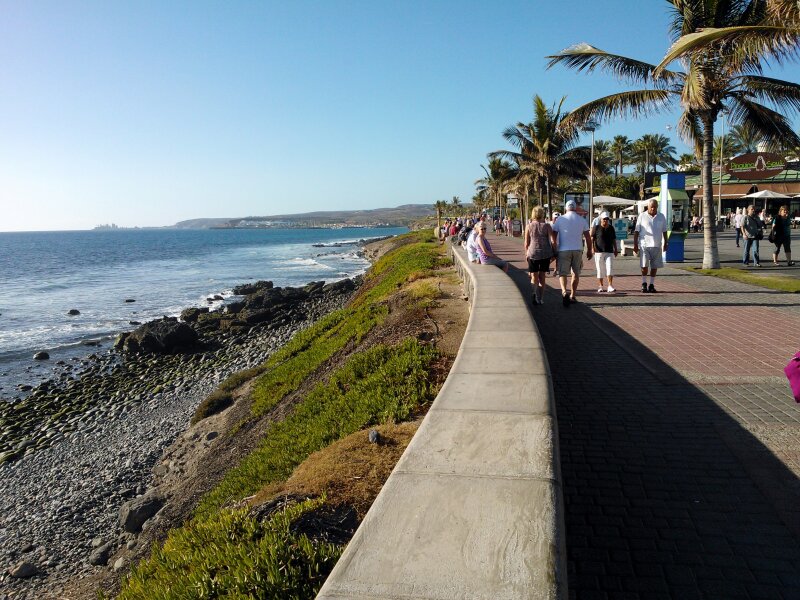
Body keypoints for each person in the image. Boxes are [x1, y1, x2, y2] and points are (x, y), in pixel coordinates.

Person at [550, 199, 592, 307]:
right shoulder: (581, 219)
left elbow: (553, 235)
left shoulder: (560, 219)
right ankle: (573, 295)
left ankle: (564, 292)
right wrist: (589, 251)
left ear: (566, 208)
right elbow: (588, 236)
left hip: (563, 250)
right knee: (576, 274)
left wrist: (554, 246)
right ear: (575, 208)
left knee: (563, 273)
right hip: (578, 250)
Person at [633, 199, 668, 293]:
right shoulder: (642, 216)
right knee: (644, 266)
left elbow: (664, 231)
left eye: (655, 207)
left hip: (657, 245)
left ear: (657, 207)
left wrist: (666, 243)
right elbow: (636, 231)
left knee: (654, 266)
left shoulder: (661, 216)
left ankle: (651, 284)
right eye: (651, 207)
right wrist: (635, 244)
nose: (653, 208)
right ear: (648, 207)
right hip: (644, 245)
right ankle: (644, 283)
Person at [524, 206, 554, 305]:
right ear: (542, 214)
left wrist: (526, 253)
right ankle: (541, 298)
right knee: (542, 276)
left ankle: (534, 293)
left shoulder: (529, 226)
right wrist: (555, 251)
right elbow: (553, 241)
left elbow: (526, 243)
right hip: (545, 253)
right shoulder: (547, 226)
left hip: (532, 253)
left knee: (534, 276)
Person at [592, 211, 618, 292]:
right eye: (604, 219)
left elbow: (614, 239)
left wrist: (616, 249)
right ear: (601, 219)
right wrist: (592, 248)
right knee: (600, 269)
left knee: (609, 267)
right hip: (598, 251)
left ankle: (610, 285)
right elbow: (592, 239)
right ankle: (600, 286)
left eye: (607, 219)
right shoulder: (596, 228)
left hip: (609, 251)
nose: (605, 221)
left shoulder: (611, 228)